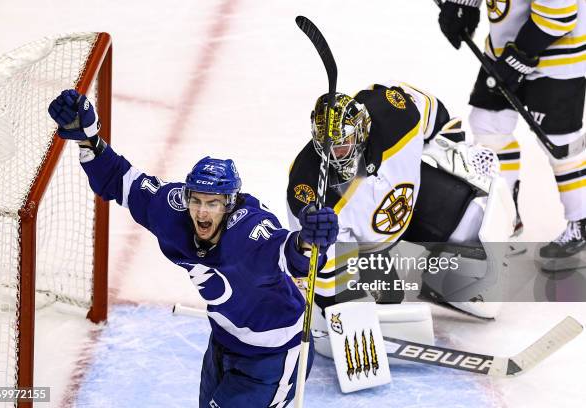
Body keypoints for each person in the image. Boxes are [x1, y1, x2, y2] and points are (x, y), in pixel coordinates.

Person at [48, 89, 339, 407]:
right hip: (223, 343)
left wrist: (310, 239)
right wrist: (89, 139)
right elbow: (121, 180)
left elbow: (290, 255)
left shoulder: (249, 232)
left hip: (274, 357)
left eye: (213, 204)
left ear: (229, 205)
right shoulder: (173, 211)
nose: (202, 212)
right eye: (196, 200)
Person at [286, 81, 513, 327]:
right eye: (326, 147)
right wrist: (340, 309)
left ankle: (438, 276)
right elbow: (318, 262)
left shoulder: (395, 113)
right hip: (366, 249)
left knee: (472, 219)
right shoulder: (308, 188)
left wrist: (454, 145)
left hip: (415, 196)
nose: (334, 156)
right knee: (387, 306)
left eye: (342, 146)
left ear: (361, 130)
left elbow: (430, 109)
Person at [438, 0, 586, 260]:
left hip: (558, 57)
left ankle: (581, 222)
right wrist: (464, 5)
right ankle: (502, 219)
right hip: (504, 49)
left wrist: (520, 57)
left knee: (560, 144)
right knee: (488, 124)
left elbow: (559, 14)